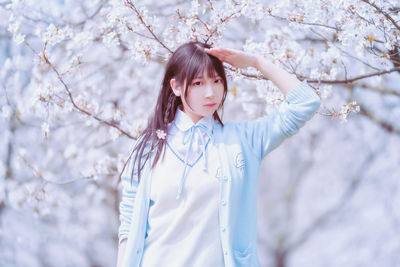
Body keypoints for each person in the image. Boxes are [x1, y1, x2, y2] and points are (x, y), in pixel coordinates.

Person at [116, 41, 321, 267]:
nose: (210, 92)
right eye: (198, 83)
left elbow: (306, 102)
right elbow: (129, 224)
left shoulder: (242, 141)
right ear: (175, 87)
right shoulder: (148, 147)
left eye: (217, 81)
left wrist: (257, 62)